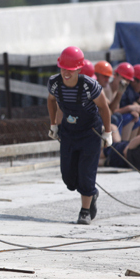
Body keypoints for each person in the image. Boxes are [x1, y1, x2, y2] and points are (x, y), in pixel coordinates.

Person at [47, 46, 112, 225]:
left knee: (86, 172)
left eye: (70, 69)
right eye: (63, 69)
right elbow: (51, 101)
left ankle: (85, 210)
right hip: (68, 132)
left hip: (90, 132)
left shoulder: (89, 86)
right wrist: (54, 124)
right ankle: (91, 192)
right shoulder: (54, 83)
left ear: (78, 69)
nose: (66, 73)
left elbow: (104, 108)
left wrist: (107, 132)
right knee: (69, 178)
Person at [114, 63, 140, 141]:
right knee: (131, 118)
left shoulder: (132, 90)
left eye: (128, 80)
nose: (126, 82)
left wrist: (135, 108)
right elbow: (113, 111)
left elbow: (135, 102)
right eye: (125, 79)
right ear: (135, 81)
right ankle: (125, 148)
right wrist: (129, 108)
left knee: (136, 118)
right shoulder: (123, 89)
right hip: (115, 120)